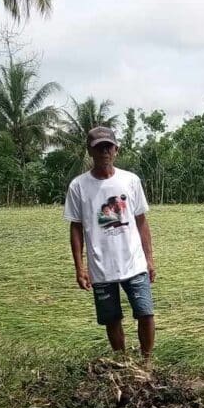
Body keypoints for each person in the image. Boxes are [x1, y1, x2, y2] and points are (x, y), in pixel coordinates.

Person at [65, 126, 157, 357]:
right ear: (90, 151)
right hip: (101, 266)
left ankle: (147, 361)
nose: (104, 152)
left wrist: (149, 259)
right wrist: (80, 268)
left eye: (108, 146)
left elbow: (141, 221)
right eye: (99, 148)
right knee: (112, 318)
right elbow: (76, 228)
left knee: (145, 312)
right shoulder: (78, 186)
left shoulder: (131, 180)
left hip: (134, 262)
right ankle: (123, 360)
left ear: (116, 149)